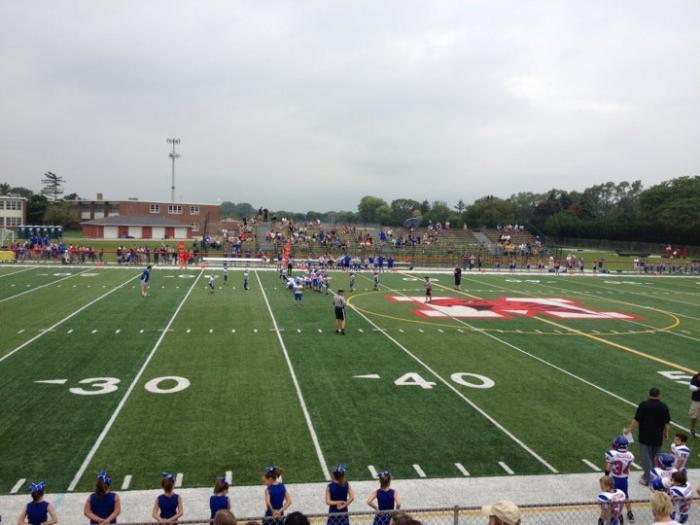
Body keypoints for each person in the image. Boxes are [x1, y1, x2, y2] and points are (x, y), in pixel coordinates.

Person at [624, 387, 670, 486]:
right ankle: (651, 476)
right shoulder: (663, 406)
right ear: (659, 395)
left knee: (646, 459)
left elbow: (636, 420)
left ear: (649, 394)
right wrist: (666, 433)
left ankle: (651, 480)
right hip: (658, 437)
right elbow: (667, 422)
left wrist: (628, 429)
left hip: (645, 436)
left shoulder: (644, 405)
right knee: (655, 459)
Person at [604, 435, 635, 522]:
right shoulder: (630, 455)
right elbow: (629, 466)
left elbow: (608, 467)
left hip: (615, 478)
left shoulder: (613, 454)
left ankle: (615, 513)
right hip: (624, 479)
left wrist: (606, 475)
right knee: (625, 496)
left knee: (612, 496)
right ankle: (630, 514)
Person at [688, 371, 700, 437]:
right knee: (694, 416)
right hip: (697, 400)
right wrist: (698, 388)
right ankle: (692, 429)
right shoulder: (697, 376)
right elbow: (691, 387)